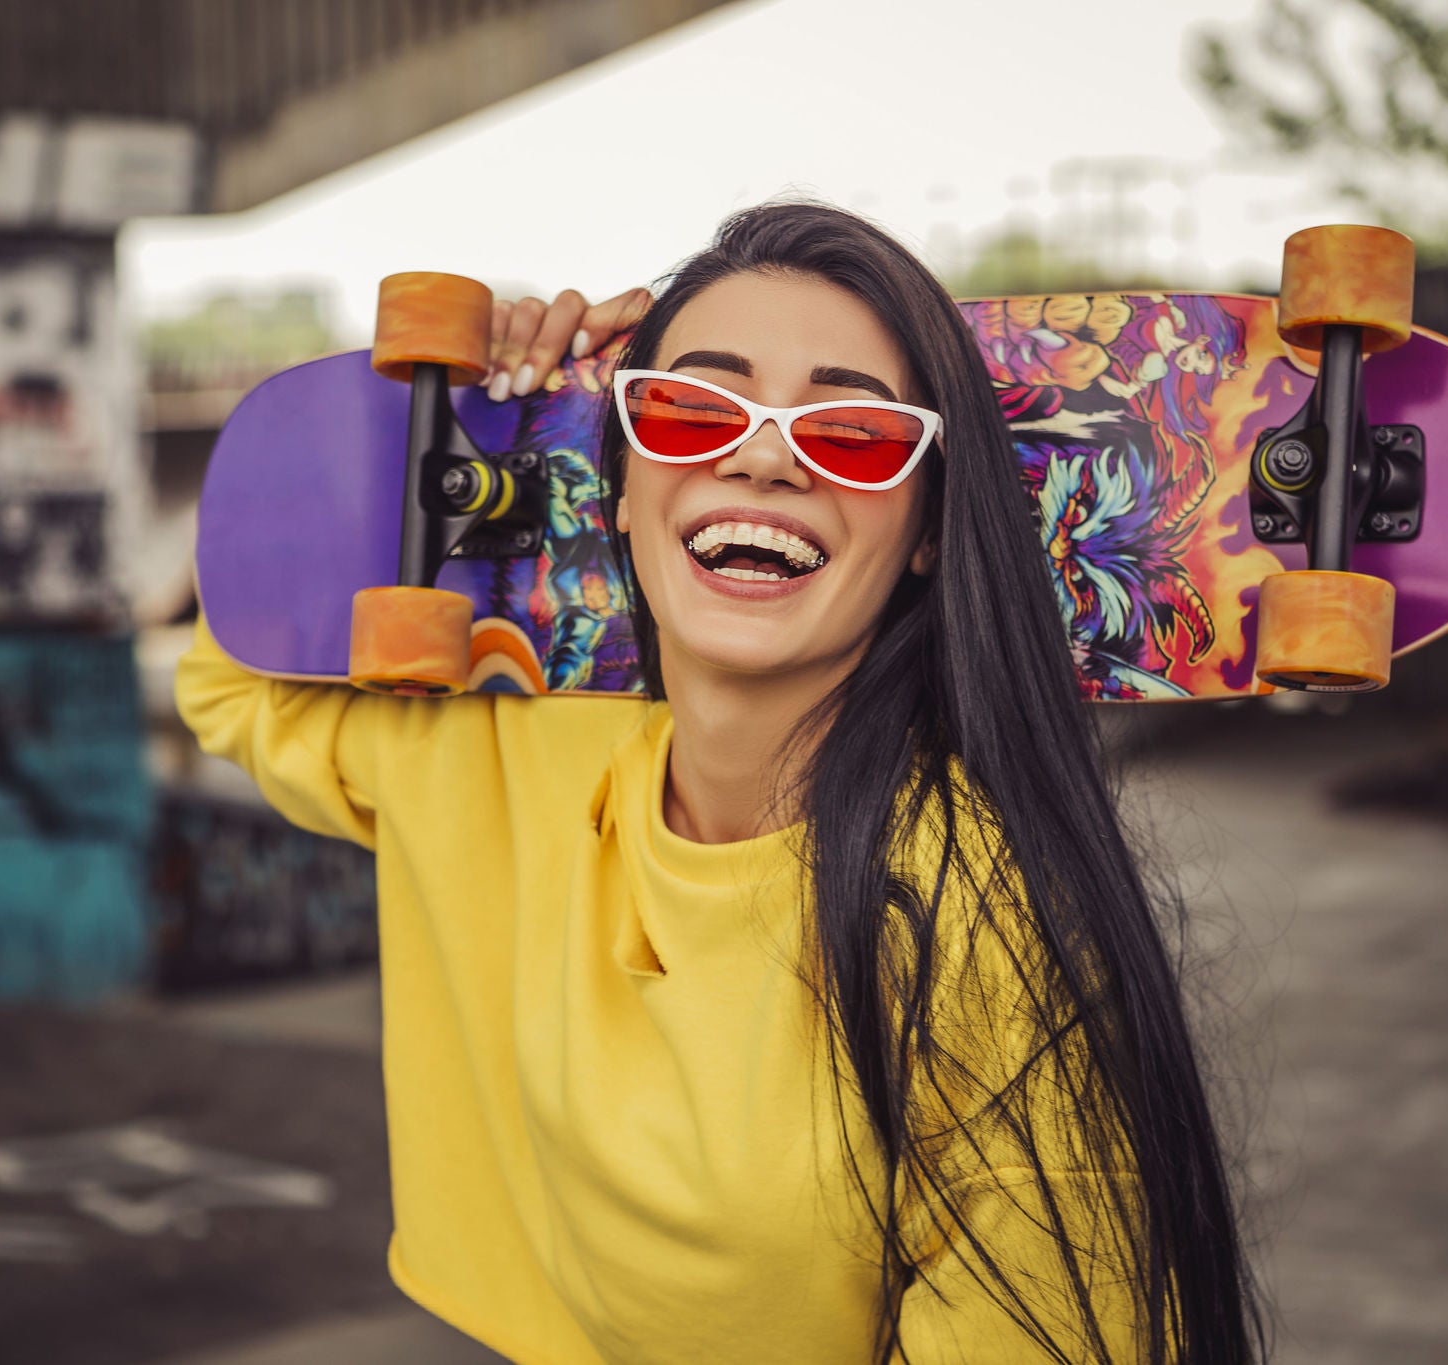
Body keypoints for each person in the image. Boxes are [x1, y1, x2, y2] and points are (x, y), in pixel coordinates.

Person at [177, 202, 1267, 1364]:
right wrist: (464, 432)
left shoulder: (982, 918)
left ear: (927, 533)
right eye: (692, 412)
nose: (761, 456)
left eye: (850, 431)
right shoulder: (507, 744)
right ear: (621, 490)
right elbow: (232, 686)